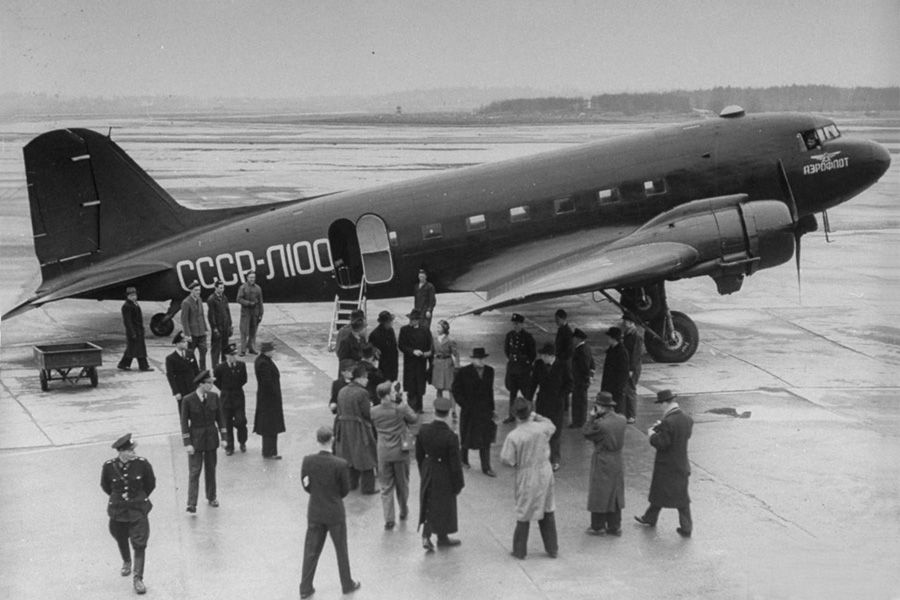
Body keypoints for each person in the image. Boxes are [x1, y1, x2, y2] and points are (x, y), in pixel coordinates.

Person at [299, 426, 361, 599]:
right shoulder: (340, 464)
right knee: (341, 550)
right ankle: (347, 583)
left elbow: (305, 485)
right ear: (332, 440)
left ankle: (305, 587)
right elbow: (345, 490)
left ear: (317, 440)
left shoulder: (308, 461)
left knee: (311, 550)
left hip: (315, 511)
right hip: (335, 512)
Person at [500, 397, 559, 560]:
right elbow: (552, 424)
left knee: (524, 510)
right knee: (548, 507)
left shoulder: (515, 436)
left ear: (515, 414)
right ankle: (552, 548)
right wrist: (537, 416)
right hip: (545, 470)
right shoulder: (543, 428)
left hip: (527, 473)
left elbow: (507, 459)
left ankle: (519, 550)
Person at [100, 433, 156, 595]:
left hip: (138, 509)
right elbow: (106, 486)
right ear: (121, 452)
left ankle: (138, 579)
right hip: (118, 510)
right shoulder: (109, 466)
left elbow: (150, 484)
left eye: (133, 450)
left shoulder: (142, 464)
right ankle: (126, 560)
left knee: (140, 542)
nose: (134, 453)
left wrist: (139, 497)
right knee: (120, 536)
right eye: (130, 451)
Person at [635, 389, 694, 537]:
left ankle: (651, 518)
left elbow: (663, 443)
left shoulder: (669, 421)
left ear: (665, 403)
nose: (660, 407)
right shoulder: (686, 418)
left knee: (661, 492)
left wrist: (652, 435)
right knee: (680, 497)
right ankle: (683, 526)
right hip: (681, 463)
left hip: (667, 466)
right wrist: (662, 426)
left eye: (660, 404)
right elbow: (680, 435)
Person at [416, 396, 464, 551]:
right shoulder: (451, 436)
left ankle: (427, 535)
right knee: (444, 505)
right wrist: (458, 484)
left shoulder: (423, 430)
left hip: (429, 468)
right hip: (444, 472)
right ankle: (442, 537)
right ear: (448, 413)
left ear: (434, 411)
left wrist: (423, 470)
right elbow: (455, 464)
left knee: (428, 502)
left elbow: (419, 454)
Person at [370, 381, 418, 529]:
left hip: (383, 452)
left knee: (386, 486)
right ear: (387, 395)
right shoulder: (400, 409)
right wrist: (404, 401)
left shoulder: (373, 411)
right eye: (392, 392)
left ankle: (389, 519)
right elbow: (414, 418)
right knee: (402, 484)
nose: (394, 393)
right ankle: (403, 509)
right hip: (400, 452)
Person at [180, 370, 226, 513]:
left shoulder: (214, 397)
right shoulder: (188, 400)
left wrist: (224, 438)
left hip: (211, 438)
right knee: (194, 471)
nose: (212, 386)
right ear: (201, 384)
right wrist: (187, 443)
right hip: (196, 440)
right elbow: (184, 423)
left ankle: (212, 497)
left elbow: (221, 418)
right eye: (209, 383)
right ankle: (191, 503)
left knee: (211, 470)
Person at [583, 391, 627, 536]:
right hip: (617, 458)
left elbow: (586, 433)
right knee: (615, 492)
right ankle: (615, 525)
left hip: (603, 458)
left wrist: (591, 417)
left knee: (599, 492)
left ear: (601, 407)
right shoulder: (622, 419)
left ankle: (597, 526)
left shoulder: (600, 424)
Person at [452, 347, 497, 477]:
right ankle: (463, 458)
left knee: (485, 438)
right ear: (473, 359)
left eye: (483, 358)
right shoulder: (464, 372)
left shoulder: (490, 371)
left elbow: (490, 392)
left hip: (484, 410)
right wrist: (464, 404)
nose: (481, 361)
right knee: (466, 434)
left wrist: (492, 409)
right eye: (478, 359)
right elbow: (456, 389)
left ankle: (486, 466)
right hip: (469, 410)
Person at [334, 364, 378, 493]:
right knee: (366, 456)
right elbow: (367, 413)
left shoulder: (342, 391)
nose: (367, 380)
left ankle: (351, 484)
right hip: (359, 428)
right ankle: (367, 488)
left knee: (350, 456)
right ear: (359, 378)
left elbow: (339, 411)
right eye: (365, 378)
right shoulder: (362, 393)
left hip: (344, 428)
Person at [532, 342, 567, 471]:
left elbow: (569, 383)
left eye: (543, 355)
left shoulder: (562, 366)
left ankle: (555, 459)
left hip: (556, 404)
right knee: (542, 431)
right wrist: (529, 398)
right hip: (542, 403)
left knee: (555, 432)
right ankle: (542, 457)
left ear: (550, 356)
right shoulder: (538, 365)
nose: (541, 357)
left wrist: (560, 395)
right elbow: (533, 382)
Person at [214, 343, 248, 456]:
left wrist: (235, 388)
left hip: (238, 397)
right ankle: (230, 446)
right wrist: (225, 389)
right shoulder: (220, 368)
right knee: (227, 423)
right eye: (231, 355)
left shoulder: (241, 365)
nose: (234, 357)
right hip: (226, 399)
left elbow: (244, 379)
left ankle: (242, 441)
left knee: (241, 421)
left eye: (235, 354)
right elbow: (217, 381)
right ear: (226, 356)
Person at [253, 341, 285, 459]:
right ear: (267, 351)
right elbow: (267, 383)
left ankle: (270, 451)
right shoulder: (264, 363)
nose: (274, 351)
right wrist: (275, 395)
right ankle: (269, 451)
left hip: (267, 399)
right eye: (272, 350)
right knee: (270, 426)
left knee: (270, 426)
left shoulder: (262, 360)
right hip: (269, 400)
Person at [398, 309, 433, 413]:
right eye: (411, 320)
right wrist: (412, 351)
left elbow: (430, 345)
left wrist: (428, 356)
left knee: (420, 384)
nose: (411, 322)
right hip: (410, 362)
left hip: (421, 362)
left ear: (418, 320)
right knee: (411, 385)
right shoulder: (404, 330)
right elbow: (401, 345)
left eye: (414, 320)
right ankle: (411, 407)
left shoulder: (425, 330)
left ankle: (419, 406)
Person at [503, 313, 535, 424]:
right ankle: (511, 415)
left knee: (527, 395)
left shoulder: (527, 337)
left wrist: (525, 364)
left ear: (522, 324)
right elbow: (507, 351)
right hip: (513, 370)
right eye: (514, 324)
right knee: (512, 394)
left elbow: (532, 354)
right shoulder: (509, 336)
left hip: (523, 371)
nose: (515, 326)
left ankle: (530, 414)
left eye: (517, 324)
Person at [117, 286, 153, 371]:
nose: (134, 297)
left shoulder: (135, 304)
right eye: (131, 295)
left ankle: (123, 364)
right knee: (137, 349)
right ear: (127, 296)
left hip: (138, 330)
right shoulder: (127, 306)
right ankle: (143, 366)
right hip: (133, 331)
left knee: (134, 349)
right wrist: (132, 332)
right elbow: (128, 321)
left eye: (134, 295)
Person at [165, 331, 199, 415]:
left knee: (196, 410)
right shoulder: (171, 358)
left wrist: (199, 385)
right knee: (184, 412)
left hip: (192, 387)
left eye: (186, 342)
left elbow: (196, 371)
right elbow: (170, 376)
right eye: (183, 342)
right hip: (181, 388)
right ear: (177, 344)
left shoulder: (190, 354)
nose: (186, 344)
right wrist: (176, 392)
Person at [431, 319, 459, 413]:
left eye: (439, 327)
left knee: (451, 387)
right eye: (437, 327)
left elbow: (455, 354)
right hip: (438, 364)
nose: (437, 329)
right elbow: (432, 351)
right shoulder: (434, 339)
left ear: (444, 328)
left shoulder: (450, 340)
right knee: (439, 387)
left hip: (447, 364)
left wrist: (457, 366)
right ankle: (439, 407)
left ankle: (453, 409)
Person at [601, 327, 630, 416]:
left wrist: (620, 388)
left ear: (613, 338)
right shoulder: (611, 349)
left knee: (617, 411)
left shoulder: (621, 351)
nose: (607, 339)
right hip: (608, 386)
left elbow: (624, 372)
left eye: (609, 337)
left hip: (616, 389)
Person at [621, 313, 644, 424]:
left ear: (631, 322)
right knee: (627, 390)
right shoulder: (628, 333)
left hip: (633, 368)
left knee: (630, 390)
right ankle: (627, 414)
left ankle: (631, 415)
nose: (624, 323)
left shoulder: (636, 336)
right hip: (628, 366)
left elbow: (635, 354)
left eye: (626, 321)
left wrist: (631, 369)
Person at [180, 280, 208, 370]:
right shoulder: (186, 302)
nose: (198, 292)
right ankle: (191, 370)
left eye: (199, 290)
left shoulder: (199, 300)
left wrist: (205, 328)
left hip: (201, 332)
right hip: (193, 333)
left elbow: (202, 315)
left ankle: (203, 370)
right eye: (196, 290)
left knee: (203, 352)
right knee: (190, 353)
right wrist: (187, 334)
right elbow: (184, 320)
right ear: (191, 291)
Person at [570, 328, 595, 428]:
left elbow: (584, 366)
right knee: (581, 401)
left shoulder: (581, 350)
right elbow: (592, 363)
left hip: (580, 380)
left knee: (578, 402)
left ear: (578, 339)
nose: (573, 340)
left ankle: (578, 421)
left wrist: (586, 378)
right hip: (582, 380)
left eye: (574, 338)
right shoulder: (586, 347)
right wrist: (590, 376)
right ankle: (580, 420)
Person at [206, 279, 233, 368]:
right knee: (216, 349)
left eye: (223, 288)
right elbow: (211, 315)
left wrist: (230, 325)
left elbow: (227, 312)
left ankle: (224, 365)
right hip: (218, 327)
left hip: (225, 326)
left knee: (225, 348)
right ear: (216, 288)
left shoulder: (224, 298)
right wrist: (214, 328)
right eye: (220, 288)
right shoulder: (211, 299)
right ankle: (215, 367)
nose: (222, 289)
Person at [236, 271, 263, 356]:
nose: (252, 279)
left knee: (253, 332)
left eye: (253, 277)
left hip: (255, 313)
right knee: (244, 332)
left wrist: (261, 314)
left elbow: (260, 302)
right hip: (246, 314)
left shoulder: (258, 288)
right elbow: (238, 299)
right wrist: (248, 303)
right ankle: (243, 350)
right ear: (247, 278)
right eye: (251, 277)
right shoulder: (243, 288)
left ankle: (252, 348)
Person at [368, 310, 398, 382]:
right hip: (382, 367)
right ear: (385, 323)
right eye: (390, 321)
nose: (391, 323)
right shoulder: (375, 334)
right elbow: (370, 352)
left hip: (393, 365)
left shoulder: (391, 331)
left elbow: (394, 347)